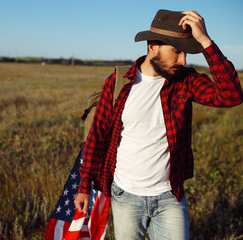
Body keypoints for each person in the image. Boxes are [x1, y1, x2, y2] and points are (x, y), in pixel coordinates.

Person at [74, 9, 243, 239]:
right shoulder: (118, 83)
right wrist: (84, 186)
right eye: (176, 52)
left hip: (170, 197)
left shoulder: (186, 80)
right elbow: (97, 135)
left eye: (185, 53)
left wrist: (206, 42)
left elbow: (231, 95)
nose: (183, 60)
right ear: (152, 45)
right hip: (126, 196)